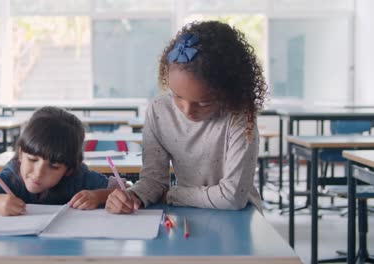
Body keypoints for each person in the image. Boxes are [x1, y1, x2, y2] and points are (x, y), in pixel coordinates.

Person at [106, 21, 267, 214]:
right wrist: (132, 196)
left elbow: (232, 197)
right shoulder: (159, 111)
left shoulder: (239, 117)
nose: (187, 110)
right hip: (189, 214)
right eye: (177, 96)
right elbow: (153, 181)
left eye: (203, 103)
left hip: (240, 217)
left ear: (227, 92)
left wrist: (173, 195)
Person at [0, 106, 121, 216]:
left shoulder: (78, 178)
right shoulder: (11, 177)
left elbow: (125, 190)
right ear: (20, 154)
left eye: (53, 166)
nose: (38, 173)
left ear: (68, 169)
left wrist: (99, 196)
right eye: (32, 159)